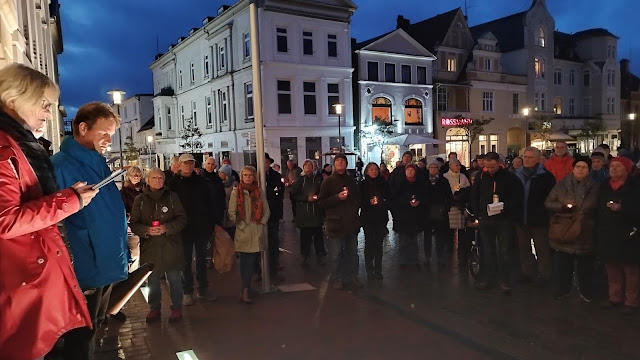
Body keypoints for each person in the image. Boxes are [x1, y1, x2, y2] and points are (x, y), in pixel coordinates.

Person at [0, 63, 96, 360]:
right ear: (13, 99)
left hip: (36, 281)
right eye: (44, 104)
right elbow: (5, 220)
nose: (48, 113)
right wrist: (70, 200)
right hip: (24, 286)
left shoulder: (23, 146)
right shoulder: (6, 149)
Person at [51, 102, 130, 359]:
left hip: (103, 259)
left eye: (111, 134)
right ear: (83, 128)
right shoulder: (61, 165)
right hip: (86, 263)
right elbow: (56, 220)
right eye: (103, 133)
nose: (108, 140)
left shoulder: (96, 161)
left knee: (92, 326)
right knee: (80, 334)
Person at [130, 168, 187, 322]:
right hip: (151, 247)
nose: (157, 181)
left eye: (160, 178)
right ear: (148, 180)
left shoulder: (172, 197)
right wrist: (146, 230)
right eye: (154, 178)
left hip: (171, 245)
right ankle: (154, 308)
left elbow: (182, 219)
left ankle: (176, 308)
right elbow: (134, 224)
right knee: (153, 280)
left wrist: (166, 228)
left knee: (174, 278)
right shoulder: (140, 200)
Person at [545, 157, 598, 302]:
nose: (580, 170)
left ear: (589, 170)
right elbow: (549, 202)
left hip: (585, 229)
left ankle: (586, 291)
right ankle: (563, 289)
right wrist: (562, 207)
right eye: (578, 167)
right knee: (564, 264)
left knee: (585, 264)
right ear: (573, 168)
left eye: (584, 167)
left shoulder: (595, 186)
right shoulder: (562, 184)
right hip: (565, 228)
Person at [470, 152, 521, 294]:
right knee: (488, 250)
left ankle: (504, 280)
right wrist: (477, 213)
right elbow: (474, 195)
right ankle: (487, 278)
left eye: (492, 167)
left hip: (504, 219)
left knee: (504, 250)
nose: (490, 170)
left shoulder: (509, 178)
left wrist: (506, 207)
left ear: (499, 163)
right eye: (487, 167)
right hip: (486, 219)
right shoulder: (481, 177)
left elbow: (517, 196)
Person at [169, 153, 216, 304]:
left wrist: (210, 223)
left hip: (201, 227)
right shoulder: (173, 184)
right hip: (183, 229)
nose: (188, 166)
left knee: (202, 260)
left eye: (191, 163)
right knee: (185, 261)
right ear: (180, 165)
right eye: (185, 163)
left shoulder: (201, 182)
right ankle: (187, 290)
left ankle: (203, 288)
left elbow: (209, 203)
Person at [597, 157, 640, 311]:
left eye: (618, 166)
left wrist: (622, 208)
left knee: (630, 270)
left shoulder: (635, 187)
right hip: (608, 232)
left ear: (626, 169)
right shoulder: (604, 186)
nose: (613, 169)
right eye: (612, 166)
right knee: (612, 267)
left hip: (629, 233)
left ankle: (631, 301)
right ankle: (614, 297)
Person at [318, 153, 361, 290]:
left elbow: (357, 199)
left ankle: (352, 277)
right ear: (334, 164)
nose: (340, 163)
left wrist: (354, 209)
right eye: (338, 161)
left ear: (346, 164)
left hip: (351, 223)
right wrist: (337, 198)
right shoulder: (328, 182)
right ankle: (337, 278)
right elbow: (322, 202)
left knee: (353, 253)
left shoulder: (351, 180)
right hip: (335, 223)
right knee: (335, 254)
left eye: (343, 161)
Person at [228, 166, 270, 303]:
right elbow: (231, 212)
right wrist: (240, 224)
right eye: (245, 175)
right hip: (243, 231)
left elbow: (266, 211)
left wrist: (261, 223)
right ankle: (245, 288)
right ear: (241, 177)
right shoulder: (237, 192)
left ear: (254, 177)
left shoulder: (259, 192)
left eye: (250, 175)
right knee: (244, 261)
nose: (248, 177)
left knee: (251, 261)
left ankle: (245, 289)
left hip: (256, 231)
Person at [514, 147, 556, 284]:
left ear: (538, 159)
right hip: (521, 217)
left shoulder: (546, 176)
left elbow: (551, 197)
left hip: (539, 218)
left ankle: (545, 275)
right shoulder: (516, 175)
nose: (526, 159)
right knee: (523, 247)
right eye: (525, 157)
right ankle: (527, 272)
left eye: (530, 157)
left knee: (542, 248)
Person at [392, 163, 426, 270]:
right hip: (403, 216)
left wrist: (419, 202)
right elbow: (396, 198)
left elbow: (424, 195)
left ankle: (415, 261)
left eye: (412, 170)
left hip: (415, 217)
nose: (410, 172)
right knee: (403, 241)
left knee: (415, 242)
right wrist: (407, 202)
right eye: (408, 170)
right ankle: (403, 262)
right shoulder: (400, 184)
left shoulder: (420, 184)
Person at [292, 159, 326, 265]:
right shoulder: (300, 180)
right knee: (305, 237)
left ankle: (320, 255)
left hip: (316, 212)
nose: (307, 167)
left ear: (313, 167)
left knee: (318, 236)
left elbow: (323, 192)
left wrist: (317, 197)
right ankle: (305, 256)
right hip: (304, 213)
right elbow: (294, 195)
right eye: (305, 165)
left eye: (309, 165)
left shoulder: (318, 179)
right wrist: (306, 198)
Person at [359, 162, 390, 279]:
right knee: (369, 243)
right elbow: (360, 200)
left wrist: (383, 202)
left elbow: (389, 197)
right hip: (368, 218)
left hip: (381, 217)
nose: (374, 171)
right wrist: (368, 202)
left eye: (376, 169)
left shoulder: (383, 184)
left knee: (378, 244)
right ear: (367, 171)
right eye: (371, 169)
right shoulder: (362, 185)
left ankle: (378, 269)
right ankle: (369, 269)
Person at [443, 158, 472, 267]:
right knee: (450, 231)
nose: (458, 167)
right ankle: (448, 251)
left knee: (462, 230)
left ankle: (462, 254)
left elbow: (468, 188)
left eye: (459, 165)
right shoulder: (445, 177)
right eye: (456, 165)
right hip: (451, 207)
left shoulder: (463, 176)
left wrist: (461, 193)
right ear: (450, 166)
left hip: (461, 206)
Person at [425, 160, 453, 267]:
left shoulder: (443, 181)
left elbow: (449, 196)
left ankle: (440, 257)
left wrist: (446, 208)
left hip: (440, 211)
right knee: (427, 236)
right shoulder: (425, 181)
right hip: (427, 212)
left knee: (440, 236)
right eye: (431, 167)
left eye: (435, 168)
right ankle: (428, 257)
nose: (433, 169)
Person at [201, 156, 227, 268]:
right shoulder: (200, 179)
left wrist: (221, 213)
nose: (210, 166)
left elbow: (222, 197)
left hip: (216, 214)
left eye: (212, 164)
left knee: (216, 238)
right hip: (204, 214)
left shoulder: (217, 179)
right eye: (208, 164)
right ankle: (205, 259)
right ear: (205, 165)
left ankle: (214, 258)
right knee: (205, 239)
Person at [120, 165, 143, 272]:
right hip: (132, 229)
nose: (137, 177)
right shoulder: (124, 192)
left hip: (144, 226)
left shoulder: (144, 190)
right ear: (129, 176)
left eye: (139, 175)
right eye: (134, 175)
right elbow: (122, 209)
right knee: (134, 255)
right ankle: (133, 278)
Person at [265, 153, 284, 277]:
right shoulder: (255, 175)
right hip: (258, 214)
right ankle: (260, 269)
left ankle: (273, 266)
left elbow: (279, 193)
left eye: (266, 162)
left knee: (273, 240)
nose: (265, 164)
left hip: (273, 213)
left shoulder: (276, 176)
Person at [219, 164, 238, 239]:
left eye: (222, 173)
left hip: (231, 212)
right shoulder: (218, 183)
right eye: (219, 172)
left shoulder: (234, 184)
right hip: (222, 212)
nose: (220, 175)